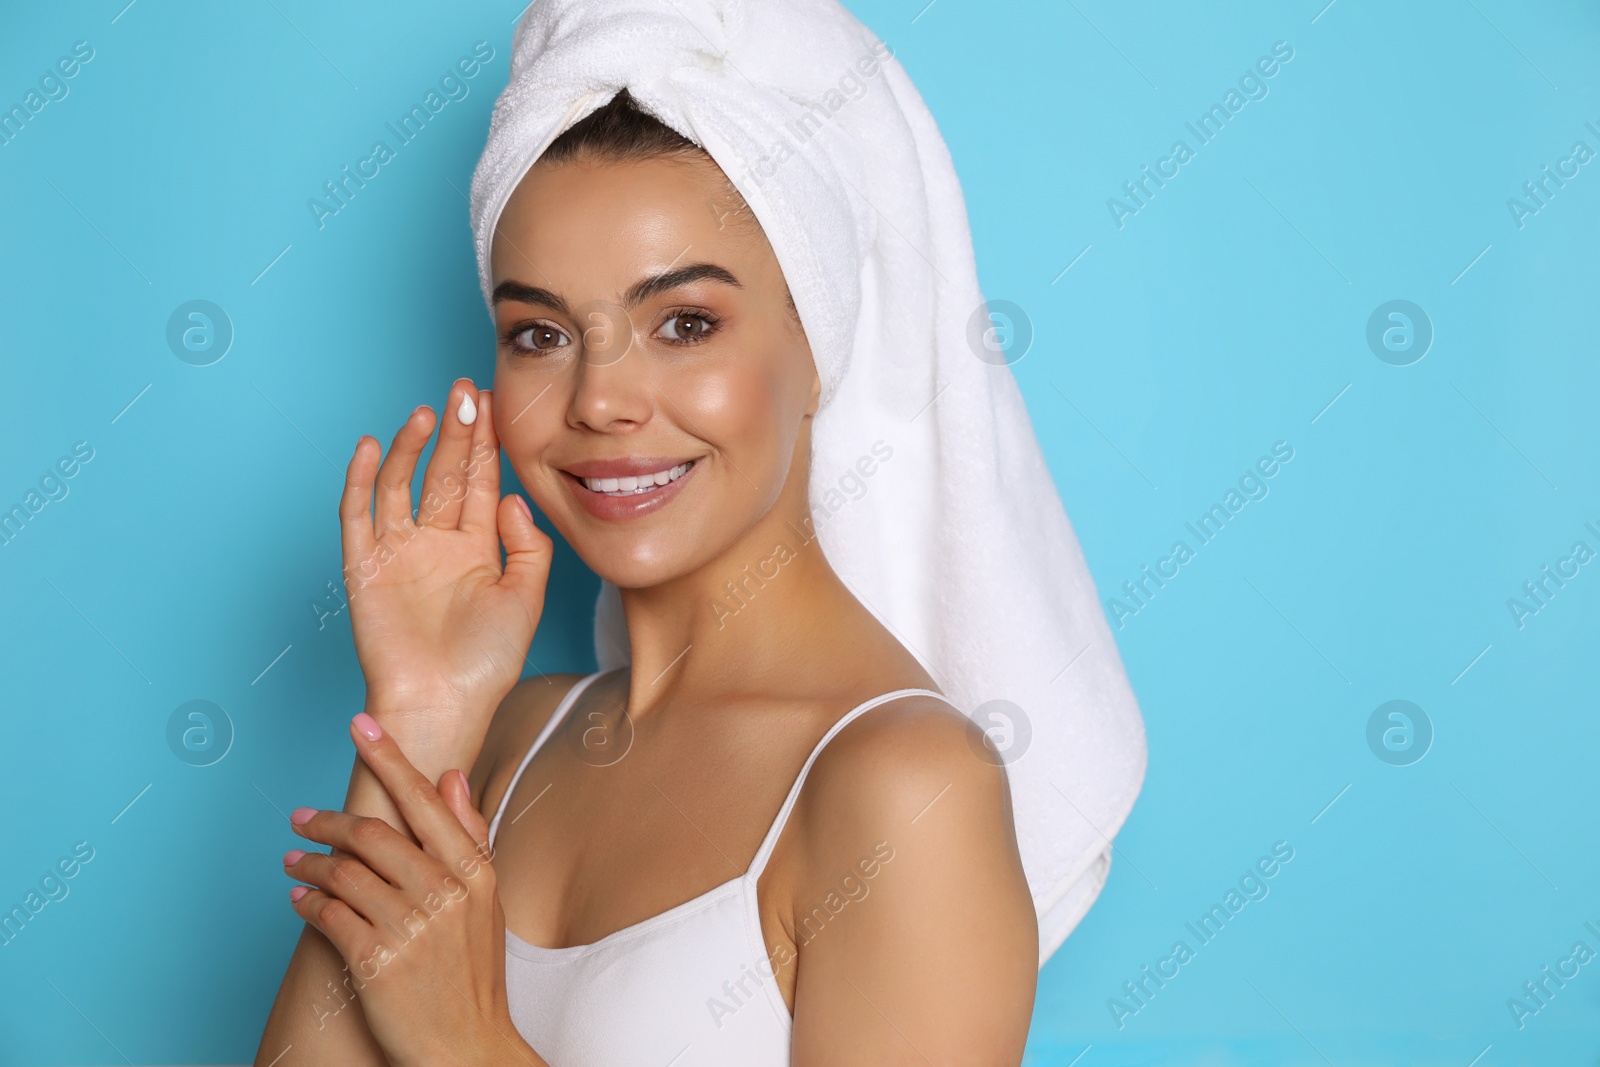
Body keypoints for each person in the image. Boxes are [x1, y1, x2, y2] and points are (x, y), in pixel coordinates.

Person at [256, 1, 1146, 1062]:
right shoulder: (500, 741)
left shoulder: (902, 788)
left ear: (815, 349)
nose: (599, 400)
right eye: (539, 333)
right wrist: (421, 710)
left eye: (684, 323)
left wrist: (467, 1040)